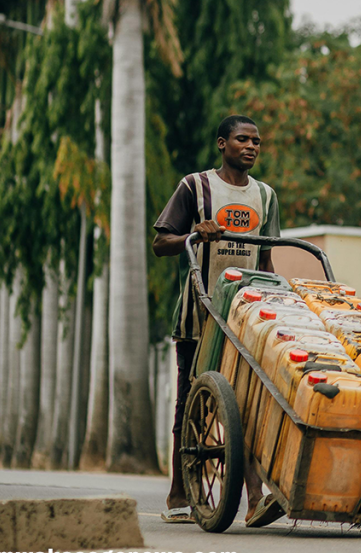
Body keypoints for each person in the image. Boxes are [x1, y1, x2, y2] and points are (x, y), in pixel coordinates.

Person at [152, 115, 285, 527]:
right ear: (221, 143)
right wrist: (195, 233)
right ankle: (178, 493)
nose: (251, 146)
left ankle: (255, 499)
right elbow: (160, 242)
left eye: (257, 141)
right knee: (189, 407)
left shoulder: (265, 195)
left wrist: (275, 301)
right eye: (242, 139)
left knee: (247, 404)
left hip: (245, 318)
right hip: (199, 315)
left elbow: (266, 258)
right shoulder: (195, 186)